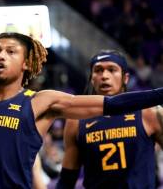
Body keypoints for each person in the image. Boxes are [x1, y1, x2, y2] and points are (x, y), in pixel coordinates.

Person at [0, 32, 163, 188]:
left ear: (27, 64)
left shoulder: (41, 101)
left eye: (11, 52)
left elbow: (112, 104)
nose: (0, 56)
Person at [56, 50, 163, 189]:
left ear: (125, 78)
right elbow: (67, 180)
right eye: (98, 70)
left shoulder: (150, 113)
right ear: (91, 78)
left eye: (112, 70)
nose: (104, 76)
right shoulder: (76, 121)